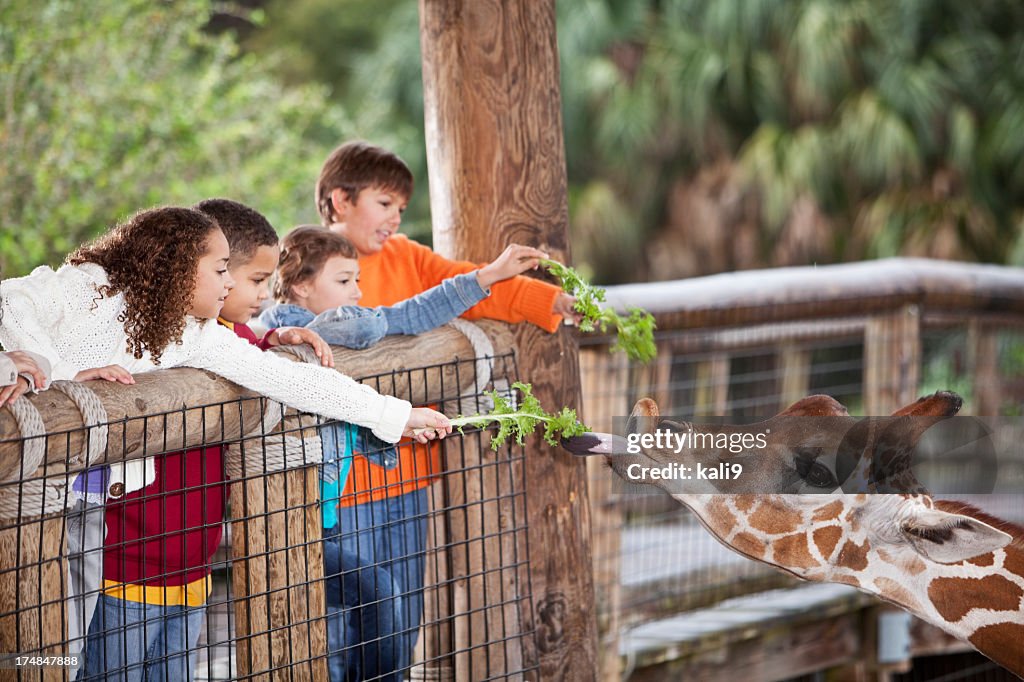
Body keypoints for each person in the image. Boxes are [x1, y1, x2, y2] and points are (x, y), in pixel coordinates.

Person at [0, 205, 450, 681]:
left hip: (102, 521)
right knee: (45, 658)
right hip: (51, 515)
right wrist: (53, 371)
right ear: (177, 265)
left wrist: (395, 415)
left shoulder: (195, 334)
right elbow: (8, 301)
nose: (229, 285)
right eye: (219, 270)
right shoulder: (89, 284)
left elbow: (287, 379)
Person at [314, 141, 578, 670]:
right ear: (340, 200)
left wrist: (552, 301)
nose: (394, 218)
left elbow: (475, 287)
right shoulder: (307, 262)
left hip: (411, 476)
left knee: (402, 617)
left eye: (400, 209)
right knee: (344, 624)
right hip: (343, 485)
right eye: (384, 203)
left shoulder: (408, 257)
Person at [258, 225, 548, 679]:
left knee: (353, 615)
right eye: (344, 281)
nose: (358, 291)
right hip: (305, 518)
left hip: (322, 514)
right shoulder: (331, 327)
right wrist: (486, 276)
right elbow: (406, 316)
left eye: (357, 279)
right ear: (300, 286)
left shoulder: (280, 332)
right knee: (365, 608)